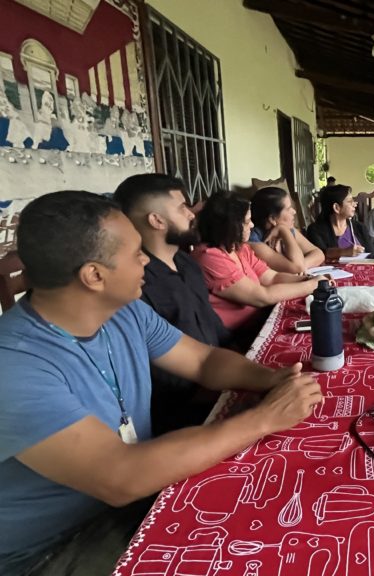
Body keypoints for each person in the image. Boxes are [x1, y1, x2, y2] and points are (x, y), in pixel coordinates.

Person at [0, 191, 322, 576]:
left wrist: (270, 379)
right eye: (135, 252)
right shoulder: (15, 366)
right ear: (94, 276)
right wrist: (263, 419)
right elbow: (120, 476)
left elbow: (203, 360)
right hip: (56, 547)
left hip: (138, 492)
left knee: (279, 509)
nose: (144, 261)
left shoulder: (124, 311)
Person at [114, 173, 229, 435]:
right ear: (156, 220)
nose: (191, 214)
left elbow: (213, 326)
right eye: (182, 208)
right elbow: (154, 368)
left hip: (217, 375)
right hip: (182, 412)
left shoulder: (187, 263)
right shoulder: (135, 283)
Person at [192, 191, 321, 336]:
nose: (252, 225)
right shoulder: (210, 257)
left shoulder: (240, 248)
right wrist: (312, 285)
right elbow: (262, 296)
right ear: (229, 226)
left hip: (260, 321)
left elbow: (273, 278)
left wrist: (309, 279)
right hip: (237, 336)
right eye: (247, 222)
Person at [249, 186, 324, 273]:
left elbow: (319, 254)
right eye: (288, 209)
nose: (294, 212)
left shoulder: (289, 229)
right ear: (272, 219)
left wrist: (303, 264)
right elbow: (297, 268)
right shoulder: (255, 242)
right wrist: (283, 230)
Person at [306, 184, 371, 259]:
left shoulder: (360, 228)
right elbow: (319, 255)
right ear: (336, 207)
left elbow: (372, 255)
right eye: (350, 201)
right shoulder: (315, 230)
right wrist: (344, 252)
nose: (355, 204)